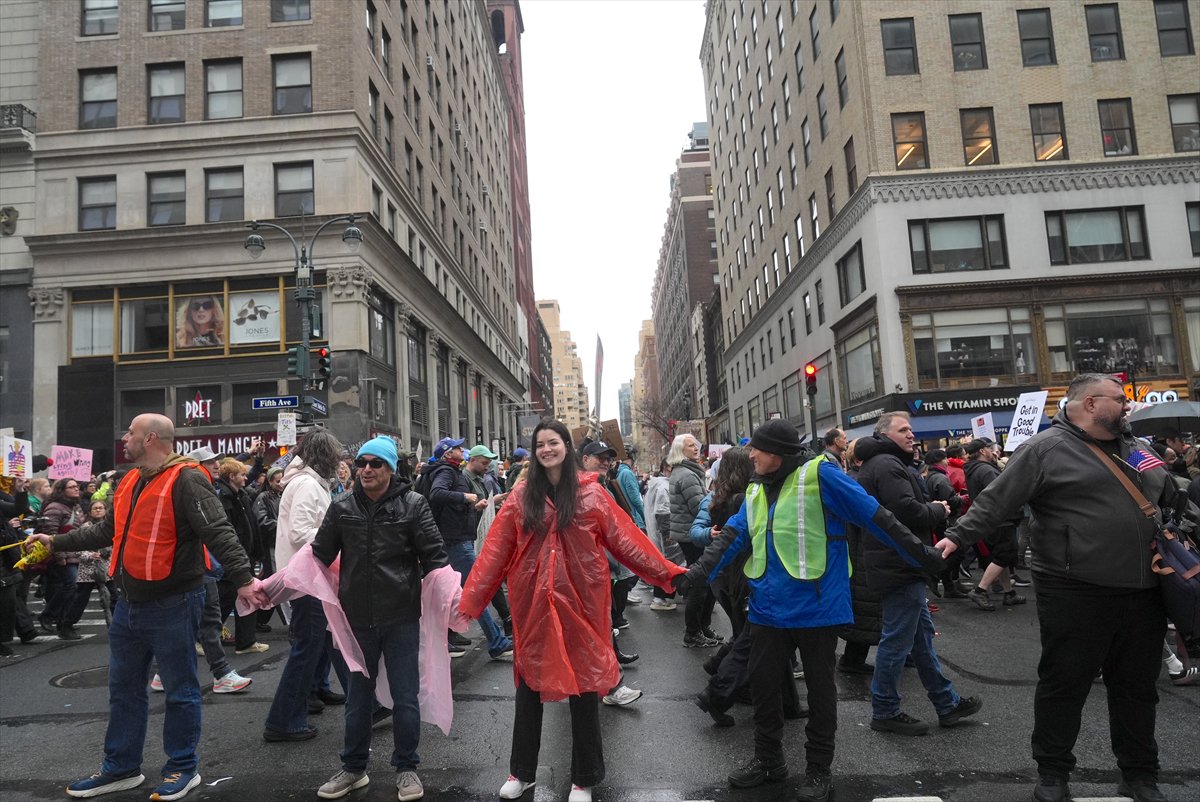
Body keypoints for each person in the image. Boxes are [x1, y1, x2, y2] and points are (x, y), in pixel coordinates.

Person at [941, 374, 1192, 802]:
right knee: (1065, 684)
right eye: (1119, 399)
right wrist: (955, 538)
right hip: (1075, 589)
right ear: (1091, 404)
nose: (1127, 406)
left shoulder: (1136, 447)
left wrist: (1170, 484)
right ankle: (1053, 773)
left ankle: (1140, 774)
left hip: (1143, 588)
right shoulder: (1044, 449)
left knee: (1136, 688)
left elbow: (1170, 498)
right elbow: (996, 501)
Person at [684, 419, 945, 802]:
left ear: (776, 452)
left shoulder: (821, 475)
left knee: (822, 694)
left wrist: (924, 557)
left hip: (818, 607)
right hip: (767, 608)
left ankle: (819, 770)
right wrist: (695, 576)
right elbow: (734, 536)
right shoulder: (757, 485)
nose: (750, 454)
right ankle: (769, 760)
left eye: (757, 448)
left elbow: (877, 518)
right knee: (764, 686)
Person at [26, 413, 264, 801]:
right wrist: (54, 543)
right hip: (130, 604)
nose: (124, 438)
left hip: (174, 601)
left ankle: (183, 768)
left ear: (150, 438)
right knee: (123, 689)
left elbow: (219, 531)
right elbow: (106, 531)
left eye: (131, 433)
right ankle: (121, 768)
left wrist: (245, 581)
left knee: (180, 689)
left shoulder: (187, 478)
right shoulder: (129, 480)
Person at [460, 420, 686, 802]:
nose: (547, 449)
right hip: (533, 604)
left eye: (553, 442)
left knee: (584, 688)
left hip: (583, 603)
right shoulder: (520, 498)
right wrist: (470, 601)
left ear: (566, 446)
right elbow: (495, 553)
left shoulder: (591, 495)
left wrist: (667, 573)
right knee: (529, 686)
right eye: (540, 444)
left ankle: (584, 778)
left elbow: (626, 541)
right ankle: (522, 772)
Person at [310, 436, 448, 802]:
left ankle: (406, 768)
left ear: (390, 469)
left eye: (376, 464)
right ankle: (353, 769)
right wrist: (272, 586)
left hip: (401, 617)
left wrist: (457, 601)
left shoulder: (414, 505)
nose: (367, 469)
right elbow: (317, 556)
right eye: (362, 463)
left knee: (405, 698)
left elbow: (436, 558)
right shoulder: (341, 508)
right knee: (358, 699)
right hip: (356, 619)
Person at [854, 412, 982, 739]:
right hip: (900, 563)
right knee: (897, 640)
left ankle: (947, 703)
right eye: (904, 430)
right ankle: (885, 709)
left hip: (900, 562)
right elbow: (906, 511)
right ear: (885, 435)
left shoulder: (887, 464)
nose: (911, 434)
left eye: (910, 429)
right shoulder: (886, 465)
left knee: (921, 639)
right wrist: (939, 509)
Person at [264, 429, 347, 743]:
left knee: (316, 642)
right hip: (306, 578)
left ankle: (314, 693)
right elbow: (301, 532)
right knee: (307, 647)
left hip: (308, 576)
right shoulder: (308, 485)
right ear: (325, 457)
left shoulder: (306, 483)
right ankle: (284, 720)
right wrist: (337, 536)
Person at [427, 437, 513, 660]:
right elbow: (436, 494)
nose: (461, 450)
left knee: (455, 593)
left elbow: (449, 505)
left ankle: (446, 640)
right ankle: (496, 640)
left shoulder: (452, 472)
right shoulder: (446, 471)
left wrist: (472, 505)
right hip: (456, 542)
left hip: (457, 540)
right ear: (448, 454)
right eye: (457, 448)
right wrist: (466, 497)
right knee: (475, 591)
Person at [962, 438, 1026, 610]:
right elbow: (1001, 493)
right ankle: (980, 590)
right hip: (1000, 519)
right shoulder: (986, 470)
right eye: (992, 449)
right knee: (1005, 554)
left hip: (989, 519)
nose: (995, 452)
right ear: (983, 451)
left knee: (1000, 556)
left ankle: (1009, 592)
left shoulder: (975, 469)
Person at [668, 433, 720, 647]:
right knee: (700, 584)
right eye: (690, 445)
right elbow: (701, 506)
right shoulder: (687, 475)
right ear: (681, 450)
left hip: (690, 533)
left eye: (696, 444)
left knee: (703, 582)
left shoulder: (687, 471)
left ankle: (701, 627)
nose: (695, 448)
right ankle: (693, 631)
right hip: (693, 535)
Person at [213, 459, 268, 654]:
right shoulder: (223, 498)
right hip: (233, 559)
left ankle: (246, 642)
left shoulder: (241, 495)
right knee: (224, 600)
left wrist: (256, 553)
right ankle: (204, 638)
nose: (246, 478)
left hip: (246, 556)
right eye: (242, 475)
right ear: (231, 477)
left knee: (248, 598)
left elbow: (250, 526)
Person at [39, 478, 87, 639]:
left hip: (76, 554)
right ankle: (48, 614)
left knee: (73, 589)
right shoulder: (54, 507)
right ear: (62, 490)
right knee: (71, 586)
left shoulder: (76, 506)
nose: (76, 489)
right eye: (71, 487)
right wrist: (59, 554)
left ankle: (63, 623)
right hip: (62, 555)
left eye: (77, 486)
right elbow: (50, 532)